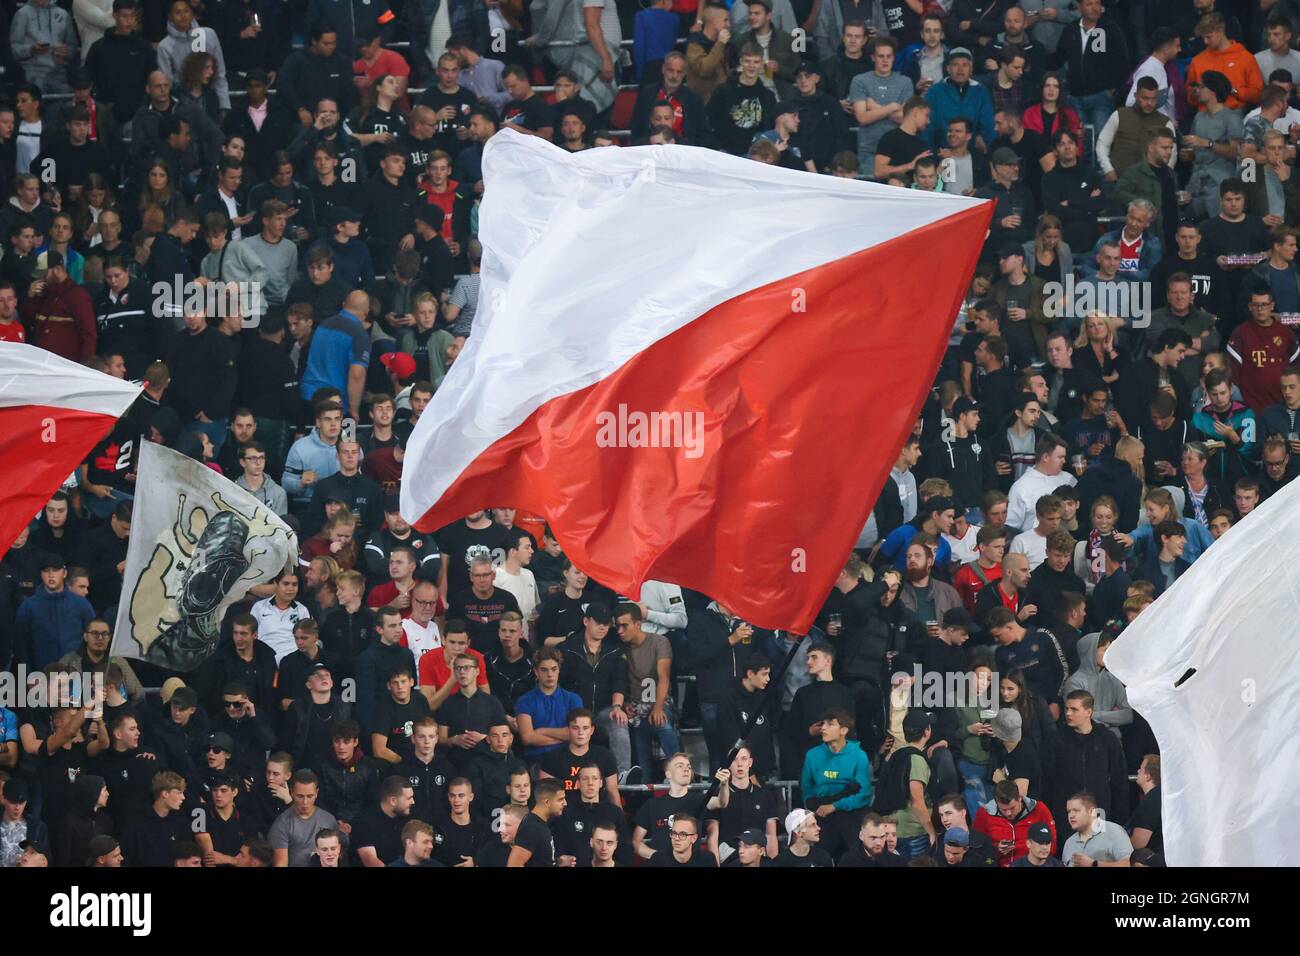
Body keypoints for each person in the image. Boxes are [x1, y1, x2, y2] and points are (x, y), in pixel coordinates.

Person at [349, 775, 414, 867]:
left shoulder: (408, 818)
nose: (413, 802)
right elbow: (370, 860)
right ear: (393, 801)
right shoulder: (363, 822)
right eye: (409, 798)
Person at [1062, 790, 1134, 866]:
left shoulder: (1114, 831)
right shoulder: (1069, 843)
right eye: (1069, 811)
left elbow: (1129, 864)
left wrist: (1094, 864)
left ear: (1091, 811)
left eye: (1076, 810)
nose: (1071, 815)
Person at [507, 777, 566, 867]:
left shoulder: (539, 823)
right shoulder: (532, 827)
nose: (565, 803)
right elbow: (513, 865)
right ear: (547, 802)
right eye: (560, 799)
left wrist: (558, 862)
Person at [1129, 754, 1163, 854]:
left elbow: (1138, 843)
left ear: (1148, 776)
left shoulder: (1153, 799)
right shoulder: (1159, 796)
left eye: (1141, 769)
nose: (1138, 771)